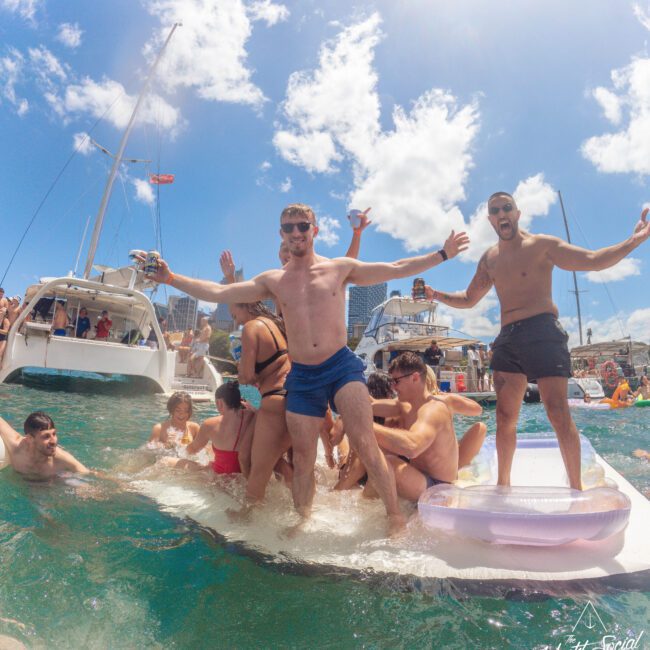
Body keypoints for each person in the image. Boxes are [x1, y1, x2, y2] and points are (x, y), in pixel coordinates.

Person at [146, 203, 469, 535]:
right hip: (302, 375)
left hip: (341, 366)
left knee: (365, 442)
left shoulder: (338, 269)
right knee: (302, 458)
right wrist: (170, 278)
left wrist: (442, 254)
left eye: (303, 226)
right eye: (289, 228)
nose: (296, 233)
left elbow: (397, 267)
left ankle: (394, 518)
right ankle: (303, 519)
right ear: (281, 233)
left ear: (315, 229)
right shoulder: (274, 280)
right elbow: (219, 291)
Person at [424, 194, 650, 490]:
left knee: (557, 411)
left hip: (543, 331)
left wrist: (634, 240)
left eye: (507, 208)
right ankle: (503, 485)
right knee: (505, 416)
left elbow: (593, 261)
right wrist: (435, 294)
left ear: (517, 213)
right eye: (495, 210)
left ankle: (575, 488)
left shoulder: (542, 245)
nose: (502, 213)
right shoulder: (489, 259)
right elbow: (468, 299)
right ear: (490, 219)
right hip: (508, 338)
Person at [367, 352, 486, 501]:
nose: (393, 387)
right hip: (422, 478)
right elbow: (369, 405)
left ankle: (394, 519)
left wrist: (365, 427)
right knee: (380, 459)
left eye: (396, 381)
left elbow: (412, 446)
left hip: (440, 488)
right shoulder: (404, 405)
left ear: (415, 378)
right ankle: (364, 502)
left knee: (390, 462)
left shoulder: (434, 409)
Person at [227, 300, 293, 508]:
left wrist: (240, 368)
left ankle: (248, 518)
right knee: (245, 456)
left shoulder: (251, 327)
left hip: (274, 399)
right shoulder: (274, 325)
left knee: (258, 469)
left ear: (245, 306)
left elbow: (246, 377)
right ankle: (276, 502)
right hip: (281, 398)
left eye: (234, 314)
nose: (235, 320)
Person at [171, 382, 256, 474]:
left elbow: (193, 449)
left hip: (219, 477)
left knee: (166, 461)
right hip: (246, 474)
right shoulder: (254, 417)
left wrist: (180, 448)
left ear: (219, 403)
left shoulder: (211, 424)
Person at [0, 412, 90, 478]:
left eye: (54, 434)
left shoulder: (61, 458)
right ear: (30, 438)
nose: (53, 441)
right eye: (46, 436)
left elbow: (86, 474)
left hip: (52, 486)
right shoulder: (16, 446)